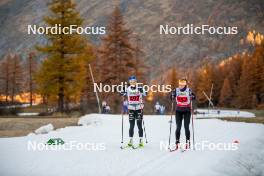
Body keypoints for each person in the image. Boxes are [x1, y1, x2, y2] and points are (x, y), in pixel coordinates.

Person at [121, 75, 147, 148]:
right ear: (129, 82)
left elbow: (145, 93)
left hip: (139, 108)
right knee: (131, 125)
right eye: (131, 82)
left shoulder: (140, 88)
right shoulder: (128, 89)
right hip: (131, 109)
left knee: (139, 125)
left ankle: (141, 141)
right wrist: (122, 91)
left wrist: (143, 91)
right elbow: (121, 93)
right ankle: (130, 141)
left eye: (134, 82)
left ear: (136, 82)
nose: (133, 83)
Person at [171, 78, 195, 150]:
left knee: (186, 127)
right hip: (178, 111)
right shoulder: (176, 90)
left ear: (185, 85)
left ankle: (188, 142)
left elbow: (194, 97)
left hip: (187, 110)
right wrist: (172, 96)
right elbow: (171, 96)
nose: (181, 86)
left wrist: (192, 96)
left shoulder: (189, 90)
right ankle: (177, 143)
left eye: (182, 85)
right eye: (180, 84)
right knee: (178, 127)